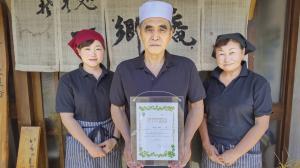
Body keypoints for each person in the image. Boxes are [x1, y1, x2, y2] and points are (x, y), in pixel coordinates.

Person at [110, 1, 206, 168]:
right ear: (139, 32)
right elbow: (116, 108)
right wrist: (128, 140)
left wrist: (185, 142)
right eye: (149, 29)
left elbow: (197, 107)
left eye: (162, 29)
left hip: (175, 158)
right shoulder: (125, 69)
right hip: (138, 157)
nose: (155, 36)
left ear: (171, 33)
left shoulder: (186, 67)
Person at [199, 33, 272, 168]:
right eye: (221, 53)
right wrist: (206, 145)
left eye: (232, 52)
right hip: (213, 153)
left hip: (246, 152)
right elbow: (201, 116)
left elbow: (261, 124)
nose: (227, 59)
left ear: (243, 52)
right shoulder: (208, 83)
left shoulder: (258, 83)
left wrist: (235, 153)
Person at [56, 29, 121, 168]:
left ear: (104, 50)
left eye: (98, 48)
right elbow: (67, 118)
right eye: (87, 49)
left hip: (109, 141)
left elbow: (121, 109)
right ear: (78, 52)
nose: (93, 54)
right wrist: (90, 146)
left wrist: (115, 139)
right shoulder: (68, 80)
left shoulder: (114, 77)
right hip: (80, 141)